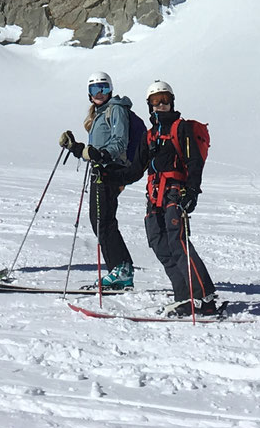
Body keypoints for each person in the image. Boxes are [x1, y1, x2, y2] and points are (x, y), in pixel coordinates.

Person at [140, 80, 217, 315]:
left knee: (179, 243)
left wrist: (192, 191)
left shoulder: (180, 128)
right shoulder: (151, 135)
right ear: (149, 105)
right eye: (155, 101)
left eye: (164, 99)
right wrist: (103, 166)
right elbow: (134, 168)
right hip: (154, 196)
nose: (161, 104)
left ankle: (205, 298)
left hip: (176, 192)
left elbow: (194, 161)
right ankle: (184, 296)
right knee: (158, 242)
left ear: (172, 101)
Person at [59, 71, 141, 290]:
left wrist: (102, 155)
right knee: (100, 220)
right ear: (89, 93)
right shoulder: (100, 113)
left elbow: (119, 142)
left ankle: (121, 270)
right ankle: (119, 270)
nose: (99, 93)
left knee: (103, 220)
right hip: (101, 171)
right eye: (95, 89)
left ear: (110, 89)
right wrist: (76, 147)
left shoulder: (116, 109)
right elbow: (94, 150)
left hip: (111, 171)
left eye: (103, 88)